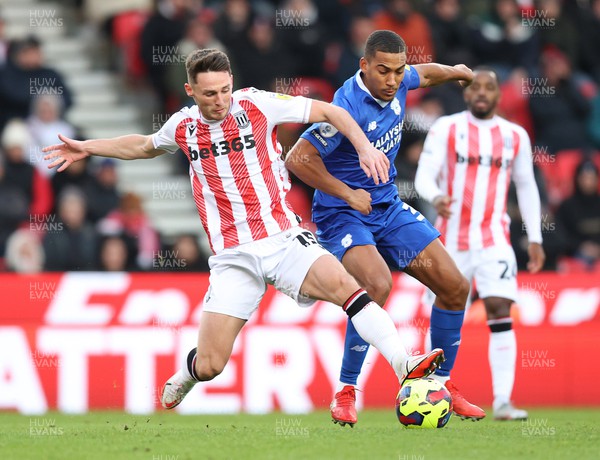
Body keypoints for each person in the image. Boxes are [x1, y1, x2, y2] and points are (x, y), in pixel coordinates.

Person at [43, 48, 446, 414]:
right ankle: (188, 374)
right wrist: (88, 146)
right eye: (208, 95)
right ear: (190, 91)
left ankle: (403, 364)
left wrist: (363, 146)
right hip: (232, 258)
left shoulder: (258, 104)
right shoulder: (183, 127)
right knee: (212, 364)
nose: (219, 101)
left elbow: (332, 113)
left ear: (232, 82)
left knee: (348, 288)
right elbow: (144, 145)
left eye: (223, 90)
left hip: (284, 239)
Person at [285, 30, 484, 426]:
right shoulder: (344, 108)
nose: (392, 80)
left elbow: (423, 75)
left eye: (397, 71)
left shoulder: (400, 79)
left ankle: (440, 384)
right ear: (364, 66)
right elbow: (298, 158)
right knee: (376, 286)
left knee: (455, 286)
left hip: (388, 207)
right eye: (383, 71)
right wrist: (347, 193)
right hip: (344, 213)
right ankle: (346, 390)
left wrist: (456, 71)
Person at [414, 68, 546, 420]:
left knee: (501, 309)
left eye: (490, 87)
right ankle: (437, 392)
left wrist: (535, 237)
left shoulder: (514, 136)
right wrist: (436, 195)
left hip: (494, 240)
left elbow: (527, 186)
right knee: (444, 316)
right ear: (466, 94)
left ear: (499, 95)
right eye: (476, 88)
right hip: (449, 242)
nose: (483, 93)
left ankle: (503, 401)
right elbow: (423, 175)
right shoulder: (446, 128)